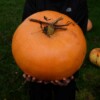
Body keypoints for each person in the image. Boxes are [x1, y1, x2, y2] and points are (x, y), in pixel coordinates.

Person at [22, 0, 88, 100]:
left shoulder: (79, 2)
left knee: (65, 94)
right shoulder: (34, 1)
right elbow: (24, 32)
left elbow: (80, 39)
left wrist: (72, 71)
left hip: (66, 67)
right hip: (36, 65)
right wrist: (26, 65)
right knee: (38, 94)